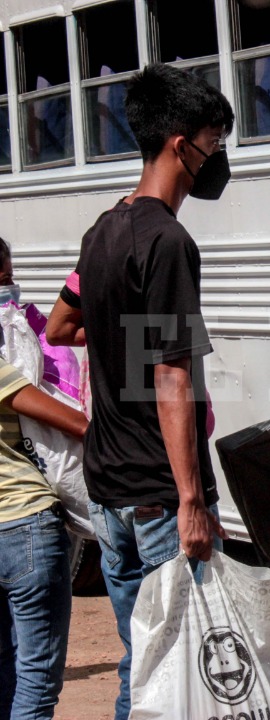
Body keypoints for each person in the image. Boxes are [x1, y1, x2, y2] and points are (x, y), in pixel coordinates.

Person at [44, 63, 234, 720]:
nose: (219, 157)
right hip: (157, 493)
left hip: (108, 491)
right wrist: (190, 500)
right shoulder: (167, 241)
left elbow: (62, 323)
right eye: (215, 140)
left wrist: (118, 341)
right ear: (182, 143)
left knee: (145, 664)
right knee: (183, 674)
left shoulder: (104, 231)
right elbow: (172, 375)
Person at [0, 237, 89, 720]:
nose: (12, 288)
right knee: (35, 681)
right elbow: (69, 421)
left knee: (5, 672)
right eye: (7, 276)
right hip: (25, 524)